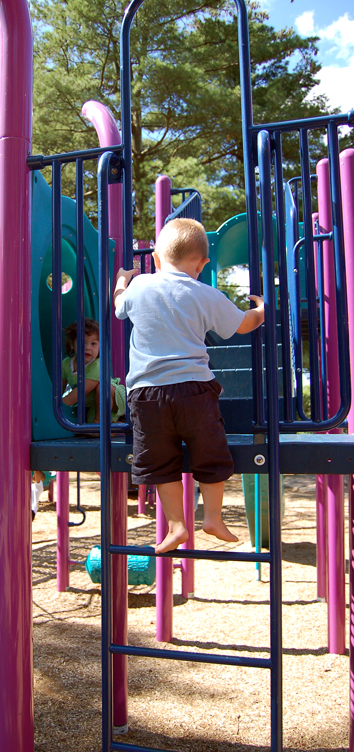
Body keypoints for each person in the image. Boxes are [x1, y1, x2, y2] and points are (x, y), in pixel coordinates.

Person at [114, 218, 264, 554]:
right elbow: (243, 325)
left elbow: (118, 307)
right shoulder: (206, 293)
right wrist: (261, 310)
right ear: (203, 263)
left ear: (154, 258)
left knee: (158, 460)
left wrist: (122, 280)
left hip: (146, 393)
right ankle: (212, 517)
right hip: (195, 389)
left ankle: (177, 526)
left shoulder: (140, 287)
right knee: (210, 450)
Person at [62, 318, 126, 425]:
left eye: (93, 344)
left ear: (100, 347)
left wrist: (59, 407)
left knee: (102, 387)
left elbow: (82, 391)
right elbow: (59, 389)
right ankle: (115, 425)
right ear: (72, 344)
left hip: (114, 397)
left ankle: (99, 425)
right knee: (85, 425)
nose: (88, 348)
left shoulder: (97, 366)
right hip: (94, 404)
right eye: (83, 342)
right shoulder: (66, 363)